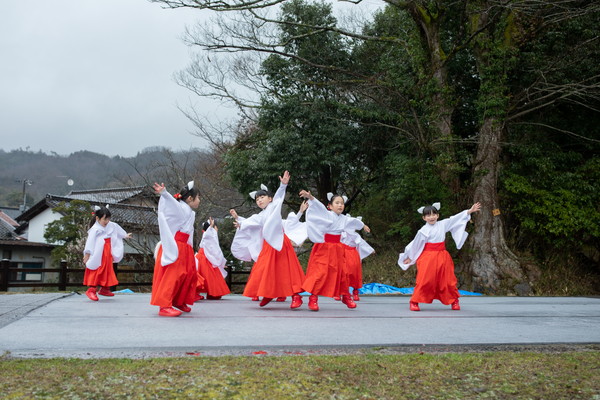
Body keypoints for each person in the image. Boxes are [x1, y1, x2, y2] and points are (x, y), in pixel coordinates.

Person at [230, 171, 306, 309]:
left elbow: (279, 198)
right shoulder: (260, 215)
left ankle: (296, 296)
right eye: (257, 199)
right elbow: (250, 221)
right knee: (264, 269)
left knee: (287, 270)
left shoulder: (274, 206)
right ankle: (268, 293)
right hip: (268, 246)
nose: (259, 200)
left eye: (262, 197)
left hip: (281, 243)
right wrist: (240, 222)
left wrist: (283, 185)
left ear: (270, 199)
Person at [398, 201, 481, 311]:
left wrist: (469, 211)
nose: (431, 217)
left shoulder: (443, 224)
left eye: (433, 214)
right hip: (428, 257)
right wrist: (410, 257)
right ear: (424, 218)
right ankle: (414, 301)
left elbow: (454, 219)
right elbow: (416, 245)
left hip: (443, 256)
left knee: (448, 280)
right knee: (425, 280)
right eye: (428, 215)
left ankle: (454, 301)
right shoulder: (423, 231)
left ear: (437, 215)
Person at [298, 190, 371, 311]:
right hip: (324, 247)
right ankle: (313, 298)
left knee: (342, 273)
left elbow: (354, 221)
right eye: (337, 203)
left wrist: (363, 225)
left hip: (338, 248)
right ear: (330, 206)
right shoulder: (327, 214)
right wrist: (310, 197)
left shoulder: (344, 219)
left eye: (342, 203)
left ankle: (346, 296)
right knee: (319, 273)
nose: (340, 205)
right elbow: (319, 207)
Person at [150, 181, 200, 317]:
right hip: (176, 246)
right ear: (190, 198)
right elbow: (172, 205)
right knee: (173, 275)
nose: (199, 200)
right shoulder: (181, 208)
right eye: (198, 197)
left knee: (188, 275)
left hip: (185, 247)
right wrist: (164, 193)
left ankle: (179, 300)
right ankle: (164, 305)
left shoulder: (188, 211)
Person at [83, 205, 131, 301]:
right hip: (97, 252)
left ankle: (105, 289)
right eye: (104, 219)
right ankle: (91, 290)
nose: (106, 221)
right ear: (97, 218)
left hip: (107, 251)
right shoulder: (95, 229)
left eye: (108, 219)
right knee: (97, 269)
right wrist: (87, 254)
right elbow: (90, 242)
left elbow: (118, 230)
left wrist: (125, 235)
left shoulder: (111, 225)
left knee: (107, 269)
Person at [195, 218, 230, 300]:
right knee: (208, 275)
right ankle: (210, 293)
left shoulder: (208, 234)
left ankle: (201, 293)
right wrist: (211, 227)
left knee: (203, 275)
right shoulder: (207, 234)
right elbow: (208, 237)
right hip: (204, 257)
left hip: (204, 256)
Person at [341, 223, 375, 301]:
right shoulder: (342, 234)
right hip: (343, 253)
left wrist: (370, 250)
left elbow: (362, 244)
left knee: (355, 273)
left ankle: (355, 292)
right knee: (343, 273)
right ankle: (341, 292)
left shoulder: (356, 236)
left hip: (353, 254)